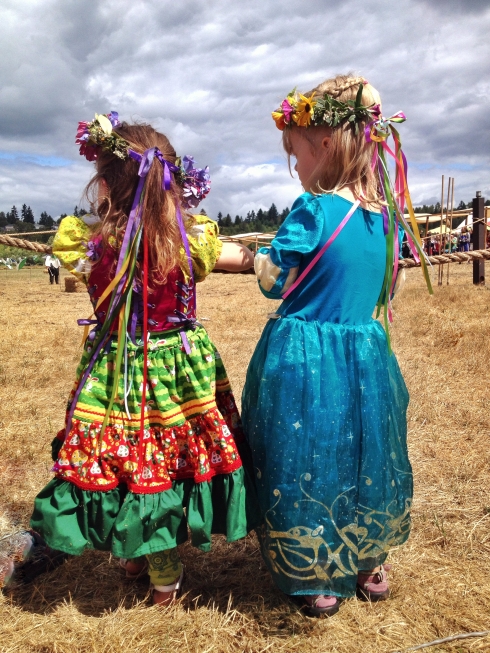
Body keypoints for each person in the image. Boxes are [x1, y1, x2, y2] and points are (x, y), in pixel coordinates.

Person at [30, 113, 257, 606]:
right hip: (178, 367)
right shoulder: (189, 239)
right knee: (165, 460)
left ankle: (152, 566)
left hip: (118, 370)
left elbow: (79, 265)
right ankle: (151, 563)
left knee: (125, 458)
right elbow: (233, 256)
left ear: (107, 182)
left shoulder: (88, 239)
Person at [241, 75, 430, 616]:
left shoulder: (314, 209)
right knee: (364, 454)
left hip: (305, 357)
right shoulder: (386, 215)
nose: (297, 167)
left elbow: (274, 279)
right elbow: (386, 287)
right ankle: (369, 564)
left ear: (324, 146)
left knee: (304, 458)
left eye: (296, 153)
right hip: (366, 356)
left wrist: (254, 256)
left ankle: (316, 576)